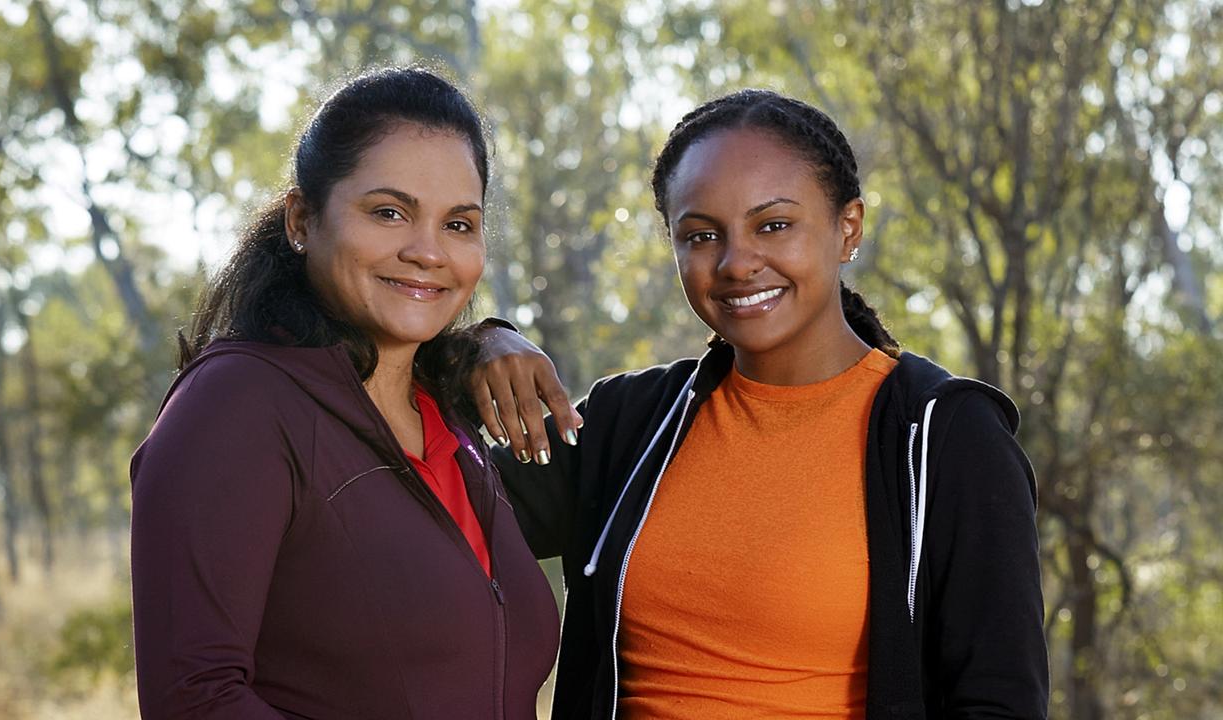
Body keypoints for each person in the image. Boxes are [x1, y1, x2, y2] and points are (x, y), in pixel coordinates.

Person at [471, 89, 1048, 719]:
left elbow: (1000, 702)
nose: (736, 262)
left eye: (773, 225)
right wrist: (475, 346)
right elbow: (427, 501)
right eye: (700, 235)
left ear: (847, 228)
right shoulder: (629, 424)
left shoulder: (946, 439)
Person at [130, 67, 559, 720]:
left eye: (459, 224)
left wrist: (482, 340)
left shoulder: (450, 420)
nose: (427, 251)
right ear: (302, 219)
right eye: (389, 212)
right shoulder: (235, 405)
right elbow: (195, 698)